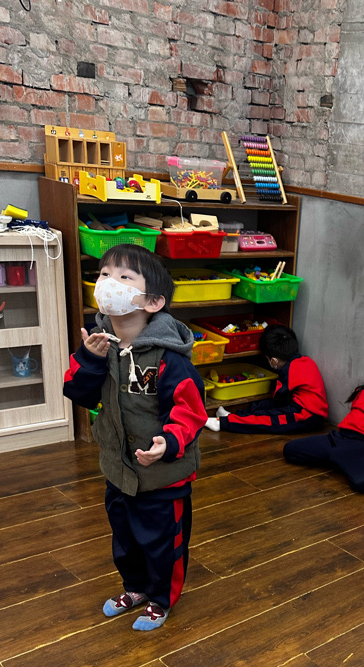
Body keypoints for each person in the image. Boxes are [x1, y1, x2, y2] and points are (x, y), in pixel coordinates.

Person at [63, 244, 206, 631]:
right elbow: (78, 392)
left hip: (162, 476)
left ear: (153, 301)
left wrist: (168, 442)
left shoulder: (168, 358)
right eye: (104, 274)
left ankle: (161, 598)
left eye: (124, 277)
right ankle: (136, 587)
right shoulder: (99, 343)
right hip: (118, 470)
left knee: (163, 543)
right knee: (125, 538)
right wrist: (90, 359)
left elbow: (191, 410)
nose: (109, 282)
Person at [283, 347, 364, 493]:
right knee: (290, 450)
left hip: (360, 447)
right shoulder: (362, 390)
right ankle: (337, 459)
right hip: (338, 438)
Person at [204, 323, 328, 434]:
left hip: (306, 415)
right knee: (264, 406)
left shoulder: (288, 370)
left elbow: (279, 397)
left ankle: (222, 423)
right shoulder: (306, 361)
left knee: (266, 419)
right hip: (302, 408)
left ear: (273, 361)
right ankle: (233, 416)